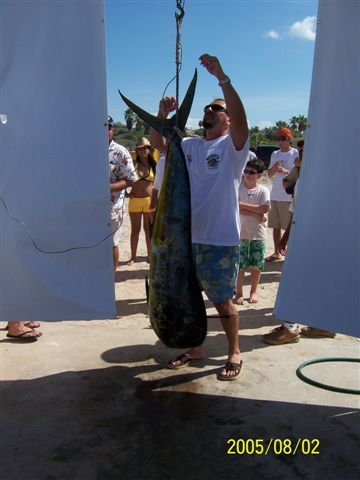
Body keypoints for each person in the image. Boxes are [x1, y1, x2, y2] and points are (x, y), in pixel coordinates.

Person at [151, 53, 249, 381]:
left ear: (228, 120)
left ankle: (234, 351)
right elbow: (158, 143)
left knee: (222, 301)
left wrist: (222, 77)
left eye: (216, 109)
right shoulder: (190, 145)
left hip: (219, 240)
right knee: (189, 296)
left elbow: (240, 116)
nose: (209, 111)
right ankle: (196, 347)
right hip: (187, 240)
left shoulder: (233, 148)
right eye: (207, 108)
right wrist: (163, 114)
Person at [263, 142, 336, 344]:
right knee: (314, 281)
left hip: (311, 239)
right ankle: (324, 324)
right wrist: (287, 236)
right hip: (307, 236)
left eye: (302, 154)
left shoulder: (313, 180)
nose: (298, 157)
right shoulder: (307, 178)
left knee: (295, 281)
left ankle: (290, 328)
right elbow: (297, 212)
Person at [233, 158, 270, 305]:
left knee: (256, 266)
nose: (247, 175)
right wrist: (256, 214)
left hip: (258, 235)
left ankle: (253, 291)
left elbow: (264, 208)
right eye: (246, 171)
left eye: (252, 172)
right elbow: (235, 206)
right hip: (239, 234)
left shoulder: (263, 190)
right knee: (240, 266)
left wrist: (244, 206)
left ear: (259, 175)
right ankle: (239, 293)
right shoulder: (238, 188)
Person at [108, 116, 137, 271]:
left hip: (113, 208)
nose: (104, 130)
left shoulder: (120, 152)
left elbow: (131, 179)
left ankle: (111, 277)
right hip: (89, 208)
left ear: (113, 130)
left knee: (112, 243)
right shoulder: (86, 149)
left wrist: (109, 188)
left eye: (108, 127)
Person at [265, 128, 298, 262]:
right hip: (275, 195)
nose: (280, 141)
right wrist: (275, 168)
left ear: (289, 139)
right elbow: (269, 174)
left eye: (283, 138)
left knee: (289, 227)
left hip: (288, 196)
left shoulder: (295, 153)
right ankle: (277, 252)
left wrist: (283, 170)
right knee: (276, 226)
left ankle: (290, 254)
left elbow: (296, 172)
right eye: (279, 138)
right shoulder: (275, 154)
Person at [127, 138, 156, 265]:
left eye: (145, 148)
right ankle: (133, 257)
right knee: (135, 229)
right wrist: (126, 193)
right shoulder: (132, 163)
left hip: (150, 201)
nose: (142, 150)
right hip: (135, 201)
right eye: (139, 148)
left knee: (148, 229)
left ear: (149, 149)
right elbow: (122, 176)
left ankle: (150, 255)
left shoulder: (154, 165)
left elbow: (158, 183)